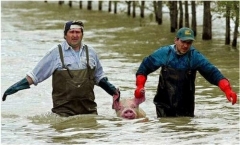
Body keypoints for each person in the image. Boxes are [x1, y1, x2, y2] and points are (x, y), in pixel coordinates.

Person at [2, 20, 120, 117]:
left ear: (82, 35)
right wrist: (14, 88)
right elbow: (35, 76)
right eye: (71, 32)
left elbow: (99, 78)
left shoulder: (92, 53)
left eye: (78, 32)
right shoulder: (55, 53)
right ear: (65, 35)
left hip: (89, 110)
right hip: (63, 112)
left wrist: (113, 91)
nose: (75, 35)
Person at [134, 27, 238, 117]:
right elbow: (144, 68)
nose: (186, 46)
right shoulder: (164, 53)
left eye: (189, 43)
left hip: (186, 106)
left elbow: (212, 73)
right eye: (183, 42)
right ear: (176, 40)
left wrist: (227, 90)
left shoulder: (195, 57)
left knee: (186, 131)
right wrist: (139, 86)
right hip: (164, 104)